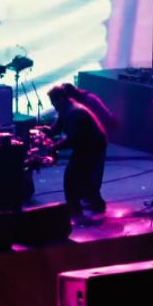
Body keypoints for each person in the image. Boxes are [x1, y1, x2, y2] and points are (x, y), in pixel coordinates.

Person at [47, 85, 108, 220]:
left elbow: (73, 138)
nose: (53, 106)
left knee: (71, 177)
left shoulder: (75, 112)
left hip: (92, 146)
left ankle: (75, 211)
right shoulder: (66, 109)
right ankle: (97, 205)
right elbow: (56, 128)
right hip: (88, 145)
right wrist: (46, 131)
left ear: (61, 99)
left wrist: (55, 147)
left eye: (53, 102)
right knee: (83, 178)